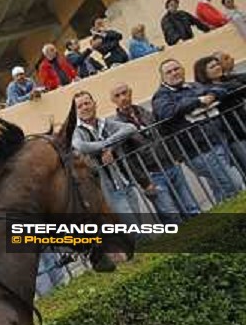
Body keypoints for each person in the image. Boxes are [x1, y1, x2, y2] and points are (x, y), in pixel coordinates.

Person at [152, 58, 242, 203]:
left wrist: (211, 95)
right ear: (163, 77)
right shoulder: (161, 96)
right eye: (169, 72)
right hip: (198, 150)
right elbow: (167, 111)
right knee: (233, 184)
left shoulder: (193, 86)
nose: (174, 73)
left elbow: (219, 89)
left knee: (221, 189)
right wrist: (198, 101)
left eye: (177, 69)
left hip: (217, 141)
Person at [110, 83, 199, 221]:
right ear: (113, 100)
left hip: (171, 165)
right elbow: (126, 159)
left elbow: (163, 133)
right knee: (172, 217)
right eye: (117, 96)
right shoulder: (117, 126)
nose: (123, 98)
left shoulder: (144, 112)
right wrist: (144, 182)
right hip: (152, 175)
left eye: (125, 93)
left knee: (191, 208)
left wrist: (176, 156)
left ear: (130, 93)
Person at [71, 91, 143, 224]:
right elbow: (81, 146)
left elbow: (130, 128)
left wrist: (110, 147)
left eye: (87, 103)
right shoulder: (76, 131)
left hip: (125, 181)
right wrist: (106, 144)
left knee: (138, 224)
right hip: (107, 190)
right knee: (133, 230)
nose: (85, 108)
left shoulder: (105, 123)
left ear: (94, 104)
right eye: (80, 106)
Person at [193, 55, 246, 175]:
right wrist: (233, 85)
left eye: (217, 64)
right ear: (203, 72)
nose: (217, 67)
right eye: (212, 67)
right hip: (231, 134)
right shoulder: (204, 89)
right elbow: (234, 87)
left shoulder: (227, 79)